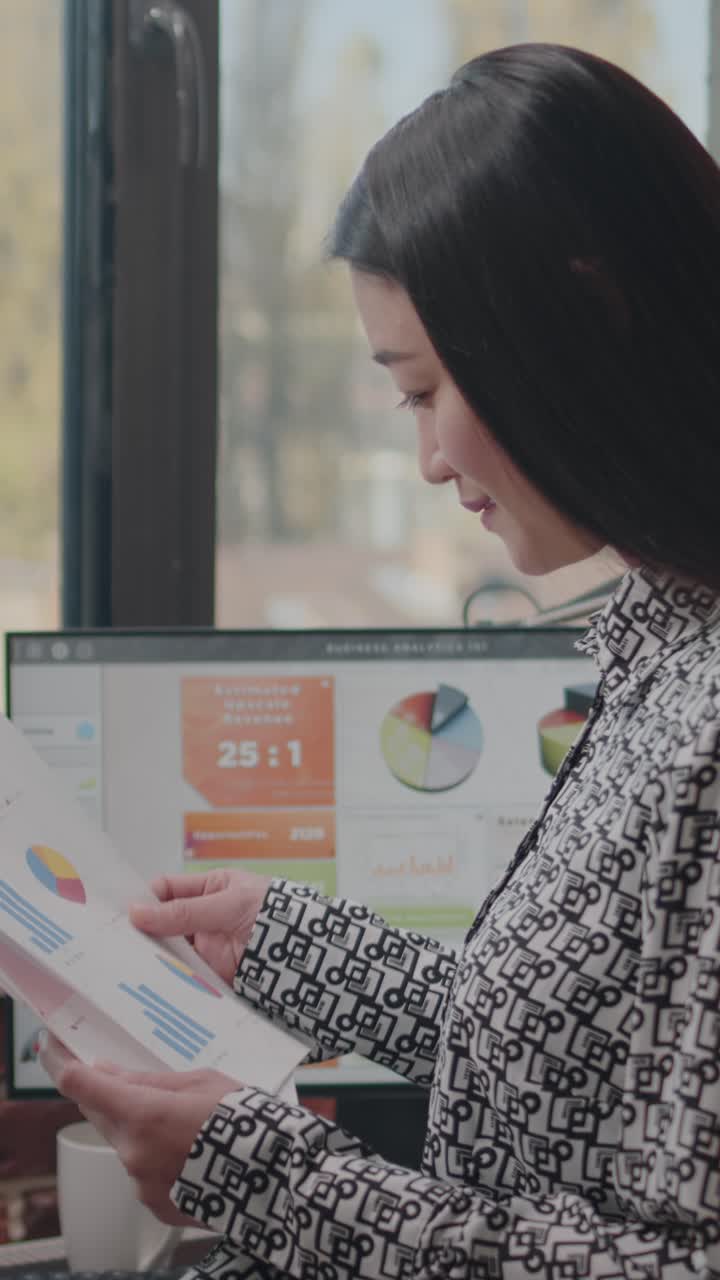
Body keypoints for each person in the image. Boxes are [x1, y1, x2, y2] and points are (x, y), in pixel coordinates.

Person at [42, 42, 720, 1278]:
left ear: (583, 315)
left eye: (422, 390)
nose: (428, 460)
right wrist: (295, 946)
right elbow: (573, 1057)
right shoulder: (674, 633)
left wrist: (257, 1173)